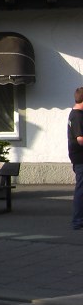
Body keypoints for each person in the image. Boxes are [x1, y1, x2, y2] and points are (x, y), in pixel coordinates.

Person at [68, 86, 83, 231]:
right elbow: (80, 139)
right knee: (81, 189)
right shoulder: (78, 116)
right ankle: (78, 220)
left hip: (78, 158)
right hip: (81, 158)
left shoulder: (74, 114)